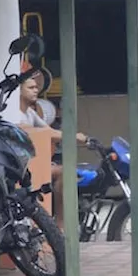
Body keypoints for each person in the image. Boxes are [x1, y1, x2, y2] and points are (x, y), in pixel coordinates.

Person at [11, 73, 87, 215]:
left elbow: (48, 131)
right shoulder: (14, 114)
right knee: (65, 172)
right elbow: (46, 134)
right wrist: (75, 137)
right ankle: (60, 226)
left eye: (36, 87)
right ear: (19, 91)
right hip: (21, 168)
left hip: (34, 164)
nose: (35, 90)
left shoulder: (30, 113)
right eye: (31, 88)